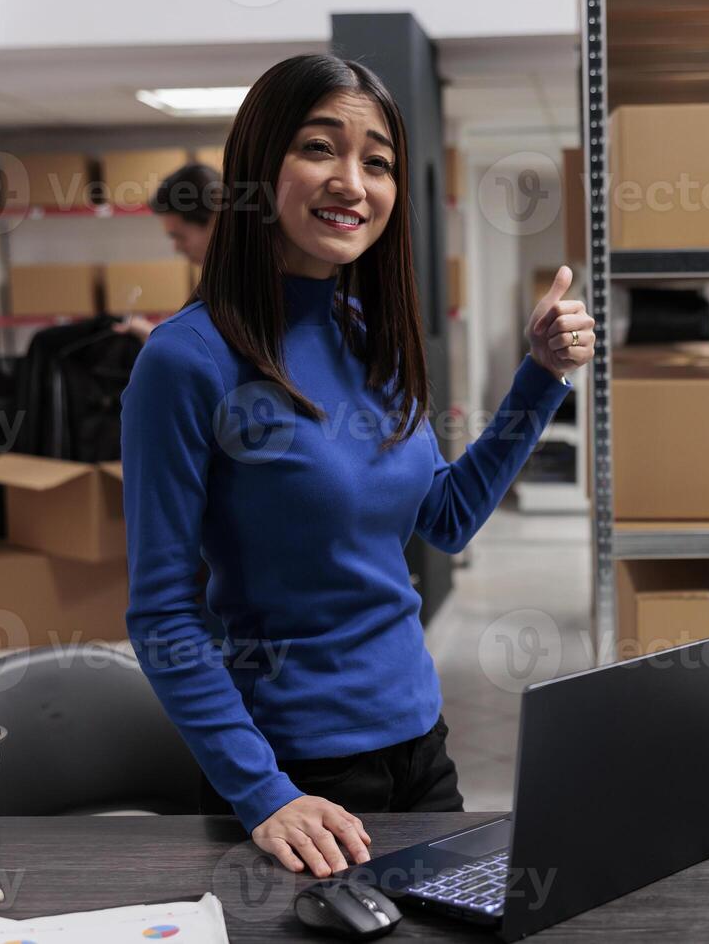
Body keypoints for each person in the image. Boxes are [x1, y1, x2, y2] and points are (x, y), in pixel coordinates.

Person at [120, 54, 596, 880]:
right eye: (319, 148)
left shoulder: (366, 332)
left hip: (422, 750)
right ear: (259, 167)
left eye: (376, 162)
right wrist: (262, 792)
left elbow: (443, 519)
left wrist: (541, 377)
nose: (352, 181)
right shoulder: (186, 360)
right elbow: (163, 614)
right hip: (296, 775)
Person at [113, 163, 222, 341]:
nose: (177, 248)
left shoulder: (245, 286)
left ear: (214, 221)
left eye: (179, 236)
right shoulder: (219, 284)